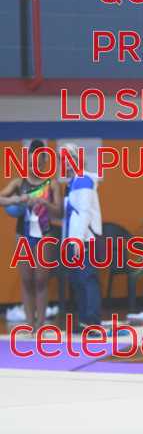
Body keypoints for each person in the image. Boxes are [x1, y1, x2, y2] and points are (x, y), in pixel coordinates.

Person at [0, 139, 62, 332]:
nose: (32, 165)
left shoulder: (52, 184)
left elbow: (59, 212)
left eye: (36, 162)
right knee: (27, 280)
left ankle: (40, 325)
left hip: (44, 236)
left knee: (41, 280)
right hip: (24, 235)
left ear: (44, 161)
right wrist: (17, 198)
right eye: (29, 162)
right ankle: (29, 324)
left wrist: (44, 203)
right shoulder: (19, 182)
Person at [61, 142, 103, 332]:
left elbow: (84, 212)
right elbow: (70, 215)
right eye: (64, 159)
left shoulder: (84, 180)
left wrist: (78, 239)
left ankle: (92, 323)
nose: (67, 162)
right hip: (73, 239)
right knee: (77, 281)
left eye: (71, 158)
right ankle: (84, 321)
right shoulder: (72, 184)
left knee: (87, 279)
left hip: (85, 239)